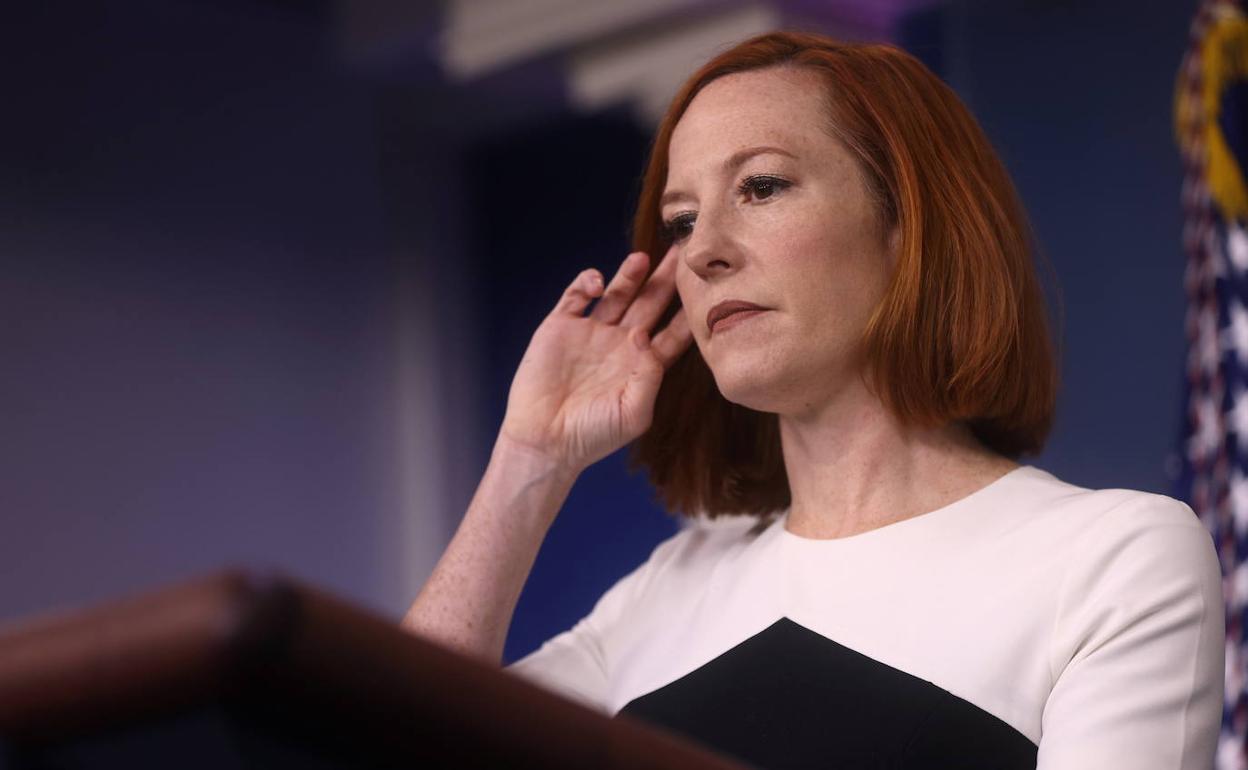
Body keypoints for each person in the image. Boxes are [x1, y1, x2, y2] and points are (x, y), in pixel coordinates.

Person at [402, 31, 1224, 769]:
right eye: (681, 222)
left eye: (761, 187)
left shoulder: (1112, 560)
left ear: (907, 221)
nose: (703, 251)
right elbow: (394, 735)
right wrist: (531, 457)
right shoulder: (668, 589)